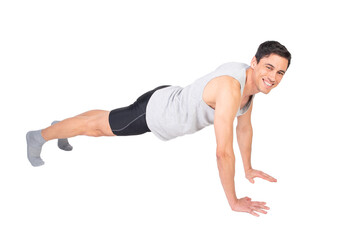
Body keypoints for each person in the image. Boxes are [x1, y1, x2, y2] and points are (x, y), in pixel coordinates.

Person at [26, 40, 291, 217]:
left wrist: (248, 168)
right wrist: (233, 202)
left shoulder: (249, 84)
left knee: (105, 119)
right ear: (254, 61)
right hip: (156, 113)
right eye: (269, 67)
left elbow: (244, 127)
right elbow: (223, 152)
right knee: (97, 128)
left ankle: (61, 128)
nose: (273, 78)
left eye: (280, 73)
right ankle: (40, 136)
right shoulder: (231, 89)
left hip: (168, 97)